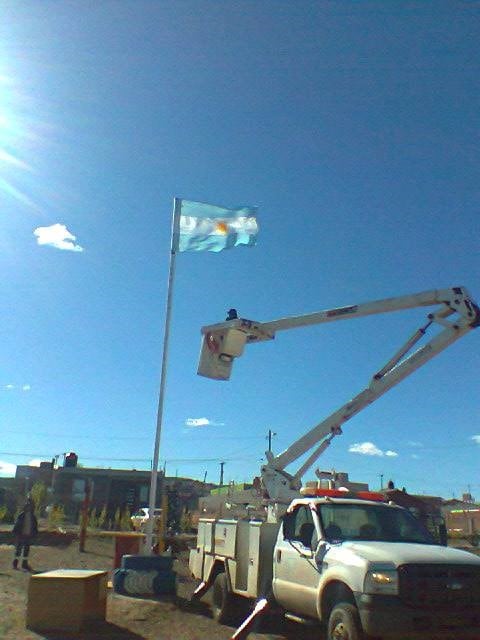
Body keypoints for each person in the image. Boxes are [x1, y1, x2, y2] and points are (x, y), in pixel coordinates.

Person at [12, 498, 38, 571]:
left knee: (26, 550)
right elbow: (17, 525)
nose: (29, 508)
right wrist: (15, 533)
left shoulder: (33, 516)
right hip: (21, 535)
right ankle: (15, 564)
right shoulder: (22, 515)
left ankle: (24, 564)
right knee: (18, 550)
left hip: (28, 535)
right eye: (27, 507)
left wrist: (34, 534)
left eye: (30, 507)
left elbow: (35, 526)